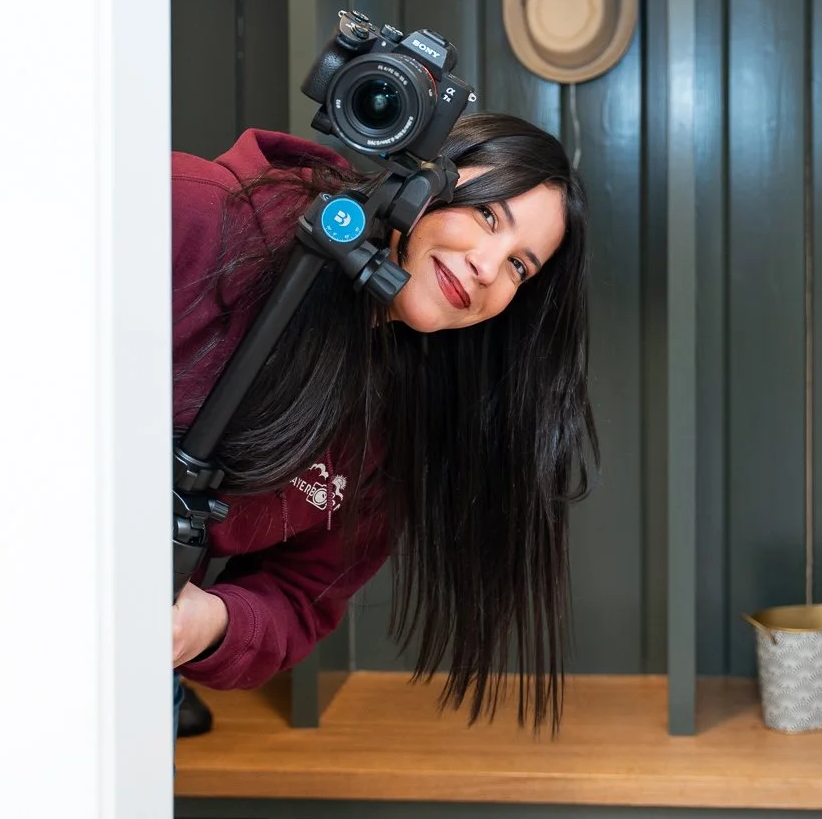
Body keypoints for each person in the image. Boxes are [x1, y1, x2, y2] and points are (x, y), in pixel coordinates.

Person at [170, 110, 599, 741]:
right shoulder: (193, 214)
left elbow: (300, 594)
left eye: (519, 267)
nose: (488, 266)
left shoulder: (390, 422)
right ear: (420, 179)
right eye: (487, 215)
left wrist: (204, 623)